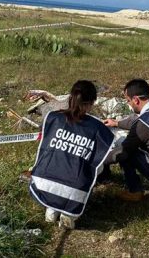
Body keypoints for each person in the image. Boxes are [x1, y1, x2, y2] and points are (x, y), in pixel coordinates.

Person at [28, 80, 116, 228]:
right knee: (97, 168)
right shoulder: (98, 128)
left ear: (70, 97)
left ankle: (51, 209)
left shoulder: (52, 117)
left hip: (42, 183)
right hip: (75, 189)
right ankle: (68, 214)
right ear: (92, 102)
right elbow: (101, 159)